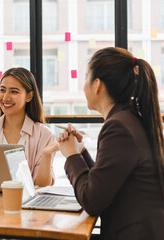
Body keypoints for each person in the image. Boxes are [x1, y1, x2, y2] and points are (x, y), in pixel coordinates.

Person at [58, 47, 164, 239]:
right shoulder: (128, 119)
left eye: (85, 77)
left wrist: (71, 156)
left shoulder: (118, 127)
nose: (83, 86)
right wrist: (80, 152)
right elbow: (106, 182)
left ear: (97, 84)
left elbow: (92, 201)